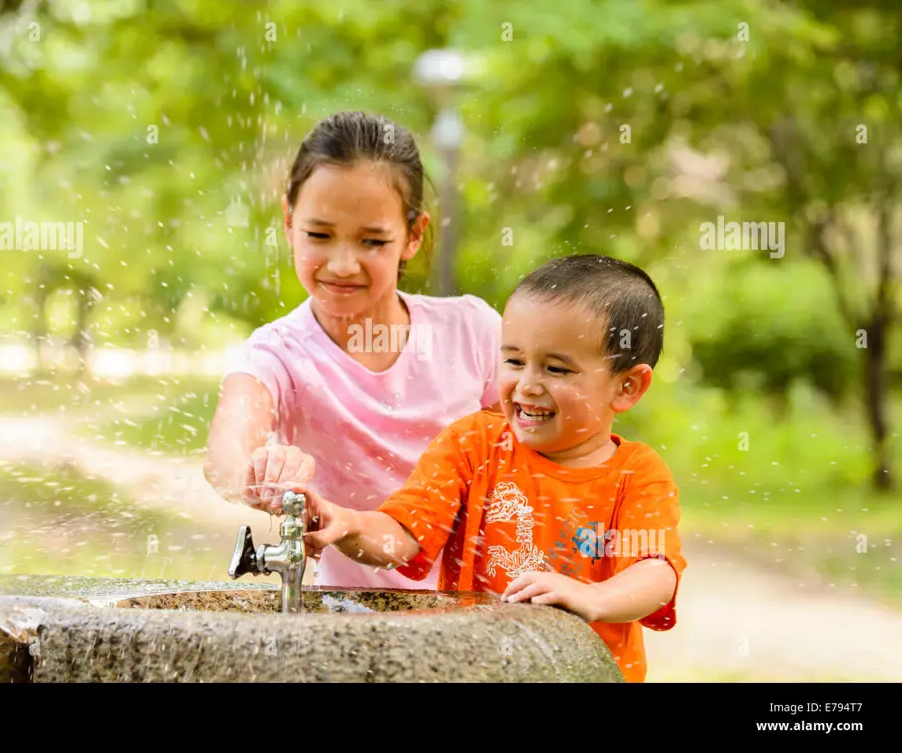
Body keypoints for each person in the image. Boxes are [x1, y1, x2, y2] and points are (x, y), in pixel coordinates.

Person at [300, 254, 686, 682]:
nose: (527, 385)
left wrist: (591, 596)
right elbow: (405, 533)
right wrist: (347, 524)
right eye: (515, 361)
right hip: (474, 671)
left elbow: (654, 573)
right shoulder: (474, 444)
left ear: (626, 386)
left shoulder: (637, 474)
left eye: (556, 368)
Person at [203, 111, 501, 589]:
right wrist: (259, 473)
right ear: (288, 221)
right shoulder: (279, 354)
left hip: (479, 614)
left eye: (372, 241)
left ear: (414, 235)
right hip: (349, 620)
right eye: (319, 235)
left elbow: (539, 456)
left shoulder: (473, 333)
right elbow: (225, 455)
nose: (342, 264)